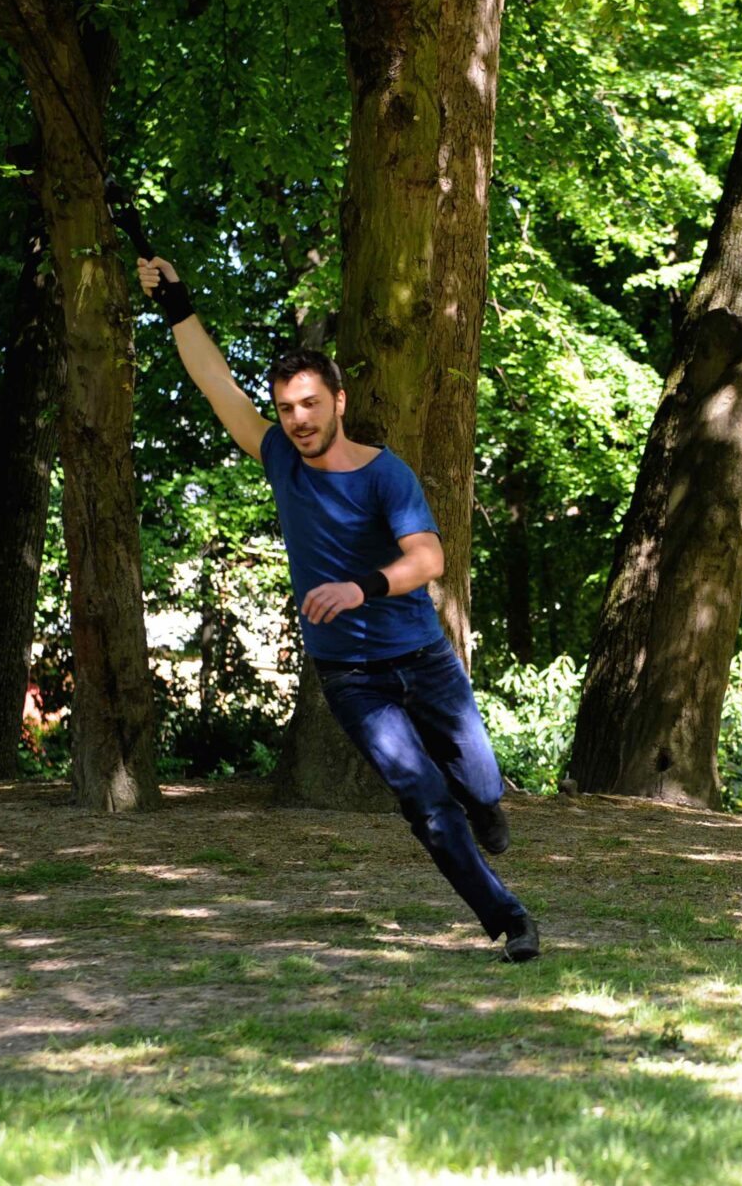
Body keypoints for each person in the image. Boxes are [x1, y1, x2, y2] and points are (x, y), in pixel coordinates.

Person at [137, 255, 541, 960]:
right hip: (353, 674)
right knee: (422, 798)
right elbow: (214, 381)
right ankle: (508, 918)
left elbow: (428, 559)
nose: (297, 419)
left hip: (424, 658)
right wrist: (176, 303)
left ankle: (486, 802)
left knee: (477, 780)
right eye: (287, 407)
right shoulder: (278, 458)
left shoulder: (388, 474)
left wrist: (362, 587)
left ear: (339, 401)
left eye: (310, 404)